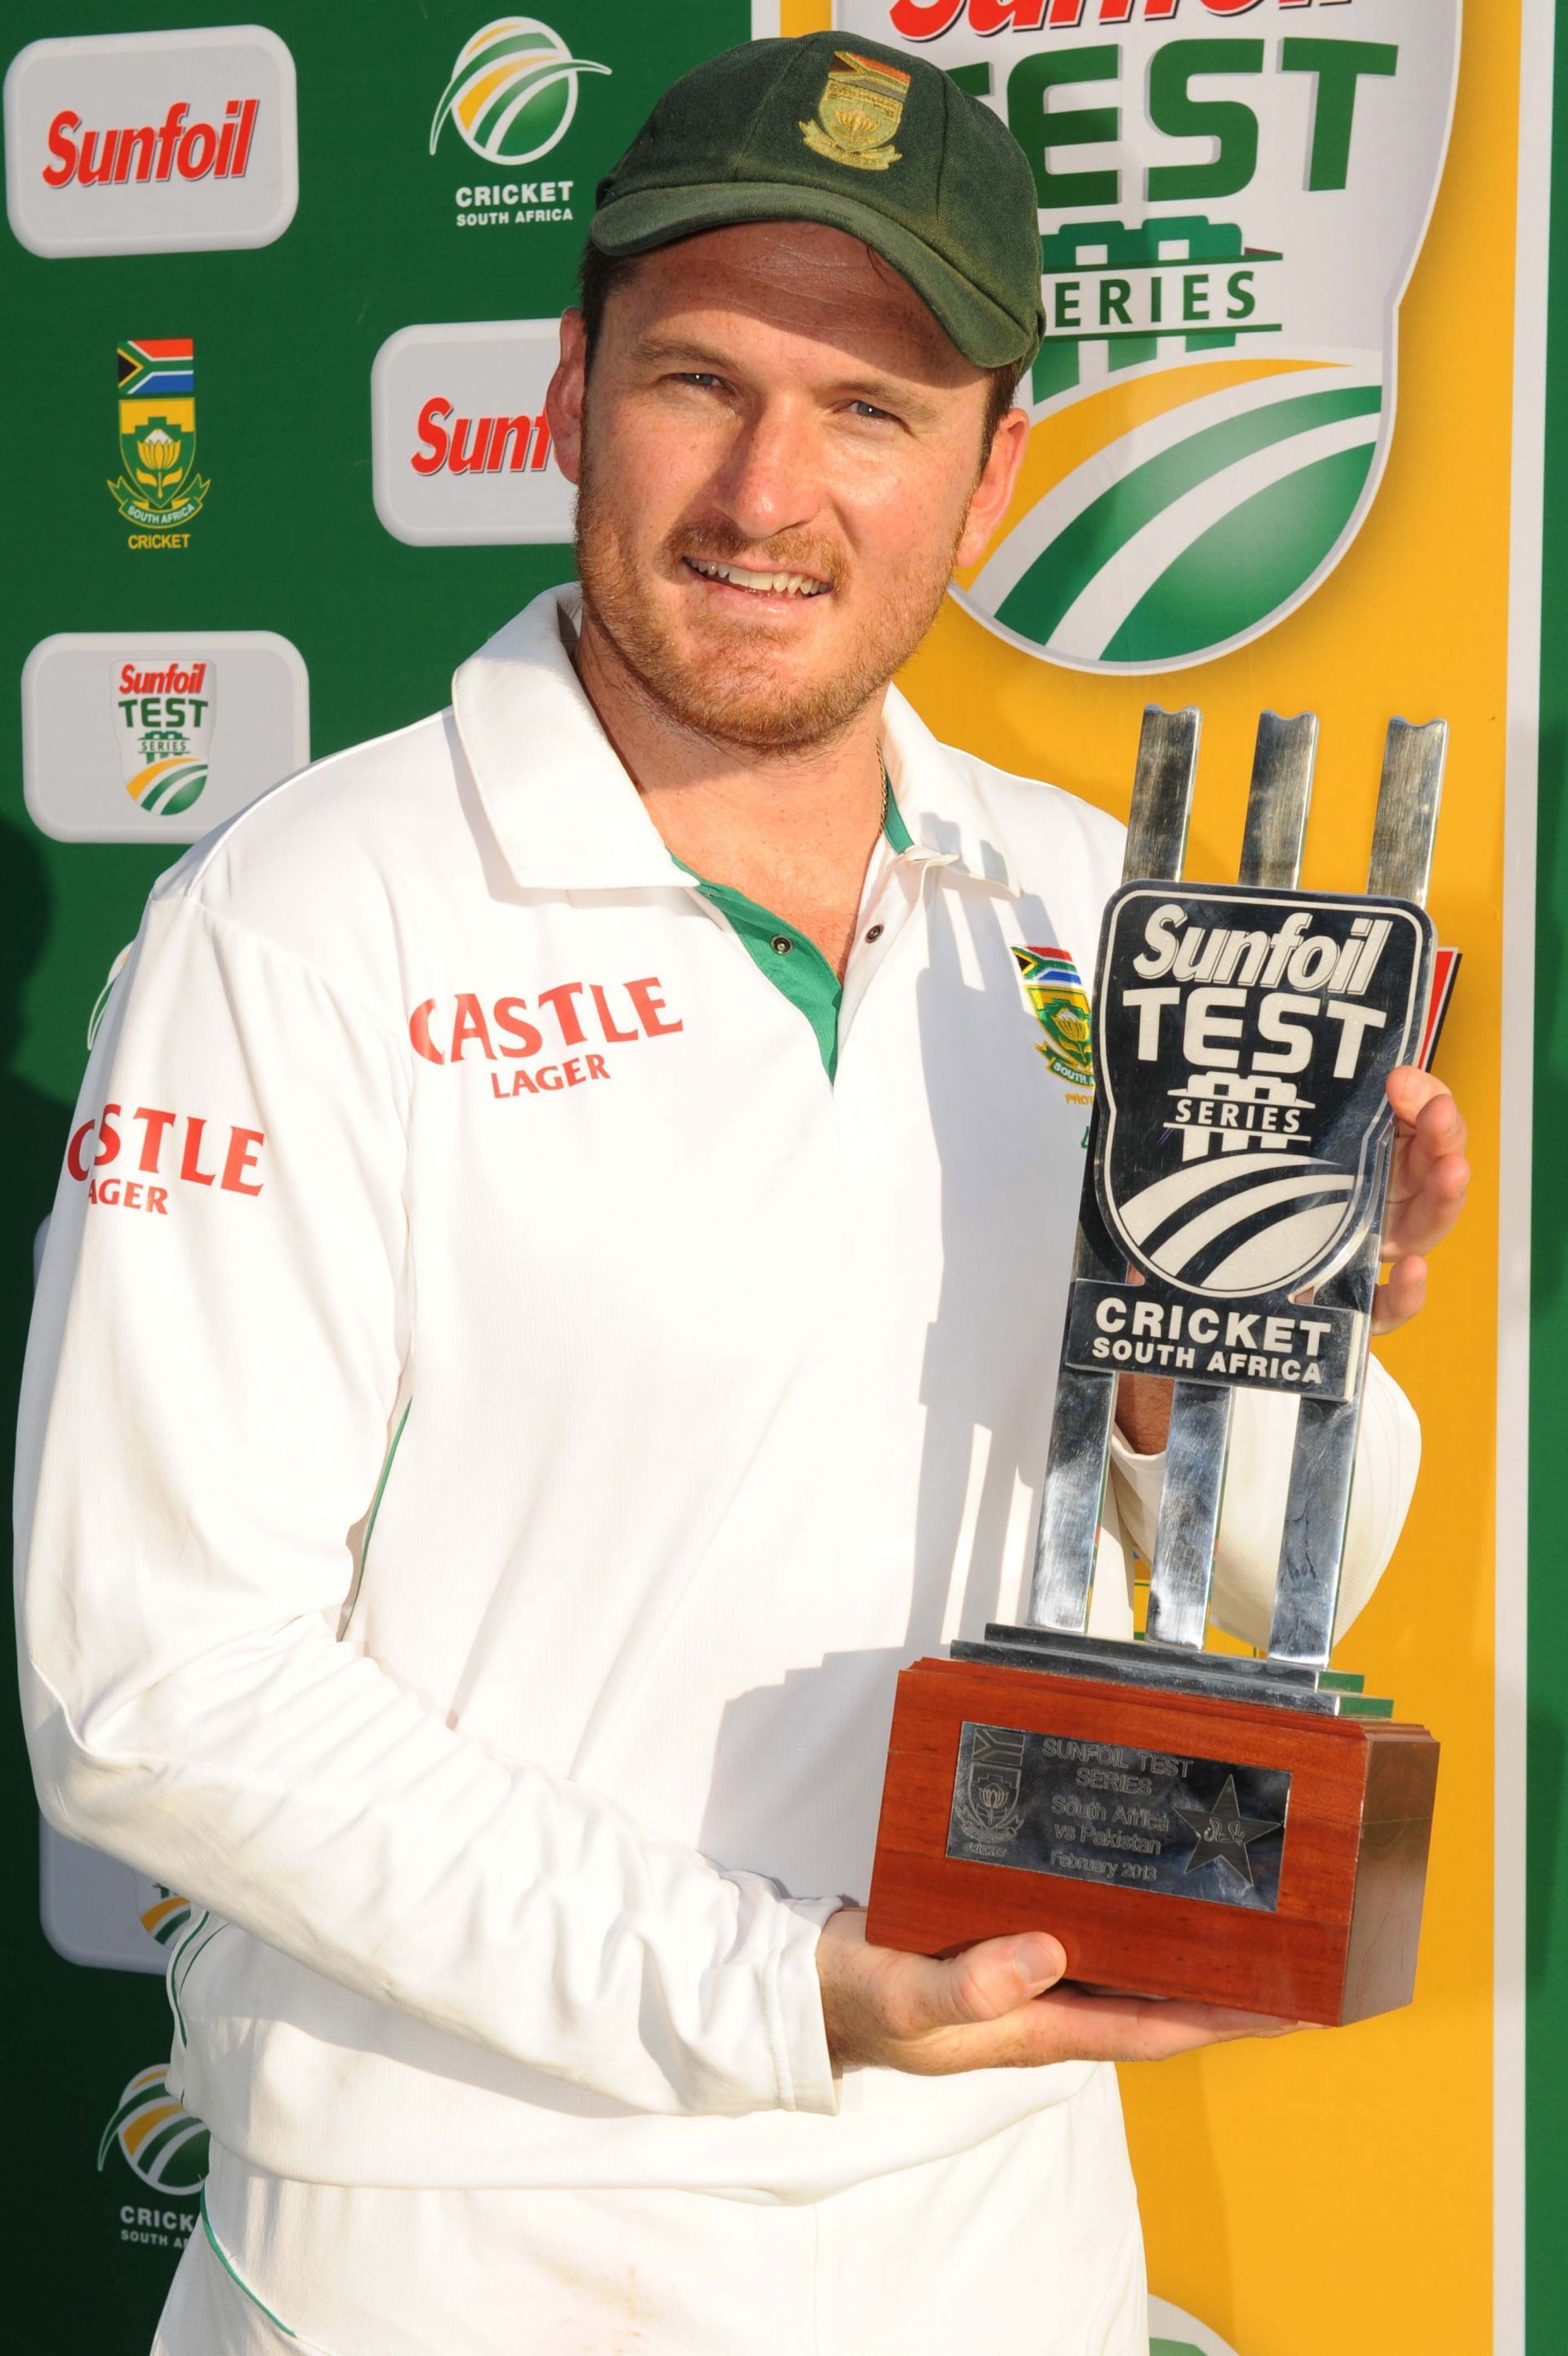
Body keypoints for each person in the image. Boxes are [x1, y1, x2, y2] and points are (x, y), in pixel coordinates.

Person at [15, 33, 1468, 2356]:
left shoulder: (1094, 907)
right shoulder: (304, 916)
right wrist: (775, 1987)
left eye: (875, 411)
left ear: (993, 475)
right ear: (574, 386)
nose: (768, 492)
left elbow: (1204, 1606)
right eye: (704, 379)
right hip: (464, 2248)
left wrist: (1280, 1341)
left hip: (1000, 2231)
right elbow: (157, 1688)